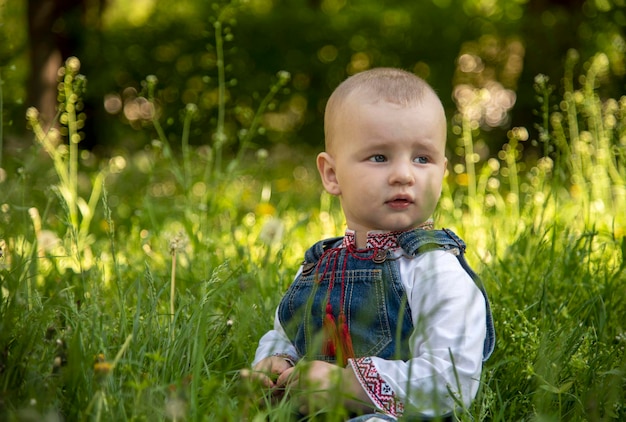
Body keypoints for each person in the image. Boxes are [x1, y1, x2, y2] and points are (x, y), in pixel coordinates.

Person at [248, 68, 495, 420]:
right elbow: (286, 332)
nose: (403, 175)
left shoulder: (433, 268)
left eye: (422, 158)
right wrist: (275, 362)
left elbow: (452, 380)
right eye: (379, 157)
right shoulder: (320, 264)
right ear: (332, 175)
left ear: (442, 172)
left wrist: (344, 385)